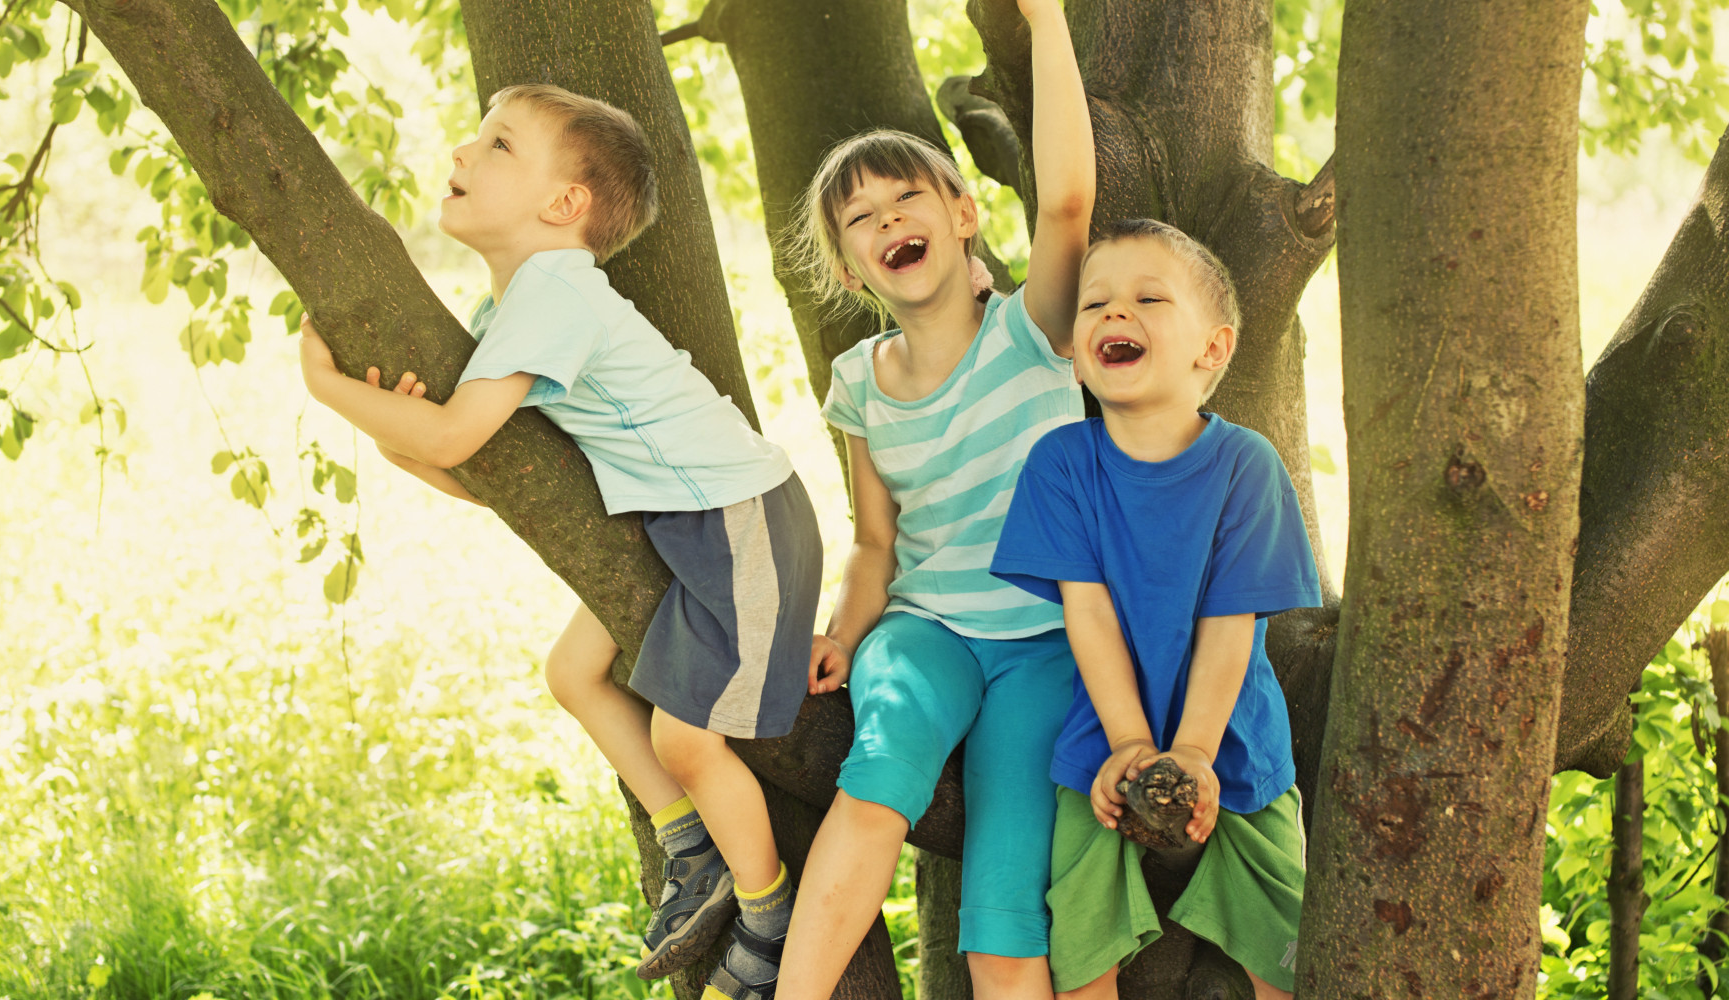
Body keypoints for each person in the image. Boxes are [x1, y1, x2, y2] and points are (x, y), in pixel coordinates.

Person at [296, 83, 823, 997]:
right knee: (572, 673)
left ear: (564, 203)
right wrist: (397, 442)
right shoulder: (514, 310)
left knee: (687, 738)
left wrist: (330, 390)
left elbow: (455, 437)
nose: (461, 153)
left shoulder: (554, 291)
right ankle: (692, 846)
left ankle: (770, 913)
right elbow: (501, 481)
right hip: (675, 523)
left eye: (498, 144)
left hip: (741, 519)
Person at [772, 1, 1095, 996]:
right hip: (924, 634)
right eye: (860, 219)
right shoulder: (858, 382)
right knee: (877, 780)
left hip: (1046, 644)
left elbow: (1067, 204)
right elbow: (876, 539)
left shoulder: (1034, 333)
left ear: (962, 215)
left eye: (905, 198)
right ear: (847, 267)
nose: (886, 221)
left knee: (1002, 909)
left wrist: (1046, 21)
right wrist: (844, 631)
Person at [989, 218, 1324, 999]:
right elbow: (1090, 618)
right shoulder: (1061, 464)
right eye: (1095, 303)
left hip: (1234, 735)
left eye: (1148, 298)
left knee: (1291, 955)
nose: (1114, 311)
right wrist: (1131, 744)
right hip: (1103, 736)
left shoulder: (1246, 466)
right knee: (1078, 949)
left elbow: (1230, 626)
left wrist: (1196, 753)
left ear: (1213, 347)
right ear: (1077, 353)